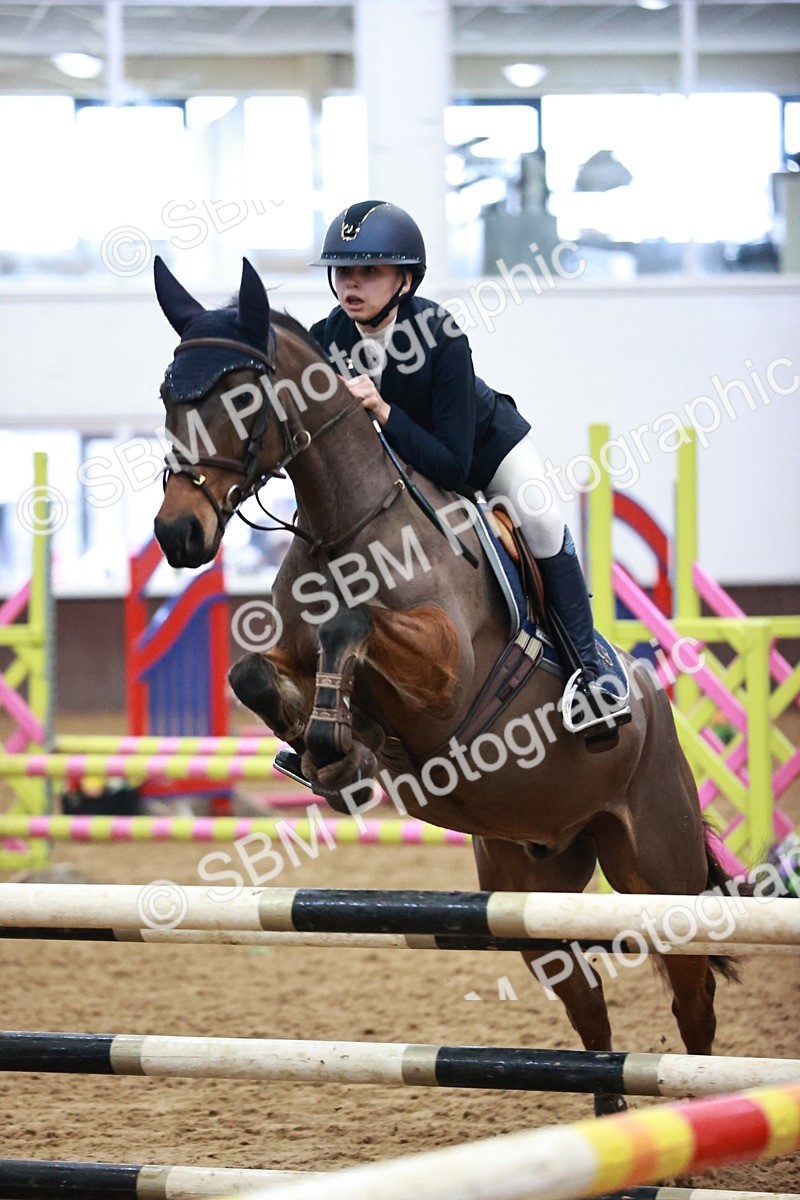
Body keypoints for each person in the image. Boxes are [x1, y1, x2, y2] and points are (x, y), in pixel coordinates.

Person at [308, 199, 630, 742]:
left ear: (405, 281)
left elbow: (454, 466)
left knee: (544, 522)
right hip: (399, 471)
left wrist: (384, 411)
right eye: (344, 270)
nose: (352, 283)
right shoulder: (327, 338)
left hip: (482, 452)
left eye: (370, 271)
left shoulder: (442, 334)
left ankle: (591, 672)